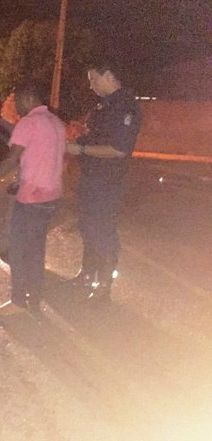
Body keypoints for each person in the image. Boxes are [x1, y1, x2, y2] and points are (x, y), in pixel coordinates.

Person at [66, 60, 142, 301]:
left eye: (93, 79)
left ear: (108, 75)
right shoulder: (103, 105)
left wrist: (82, 151)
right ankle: (88, 274)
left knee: (102, 230)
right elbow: (94, 135)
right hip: (91, 178)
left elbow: (119, 149)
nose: (90, 85)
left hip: (107, 181)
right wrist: (79, 141)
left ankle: (105, 284)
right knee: (88, 227)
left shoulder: (125, 107)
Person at [0, 82, 66, 315]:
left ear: (27, 98)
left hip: (31, 199)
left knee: (19, 250)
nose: (16, 106)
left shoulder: (28, 123)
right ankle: (33, 299)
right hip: (51, 195)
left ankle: (18, 302)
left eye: (17, 101)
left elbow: (12, 159)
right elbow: (48, 159)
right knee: (36, 250)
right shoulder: (56, 123)